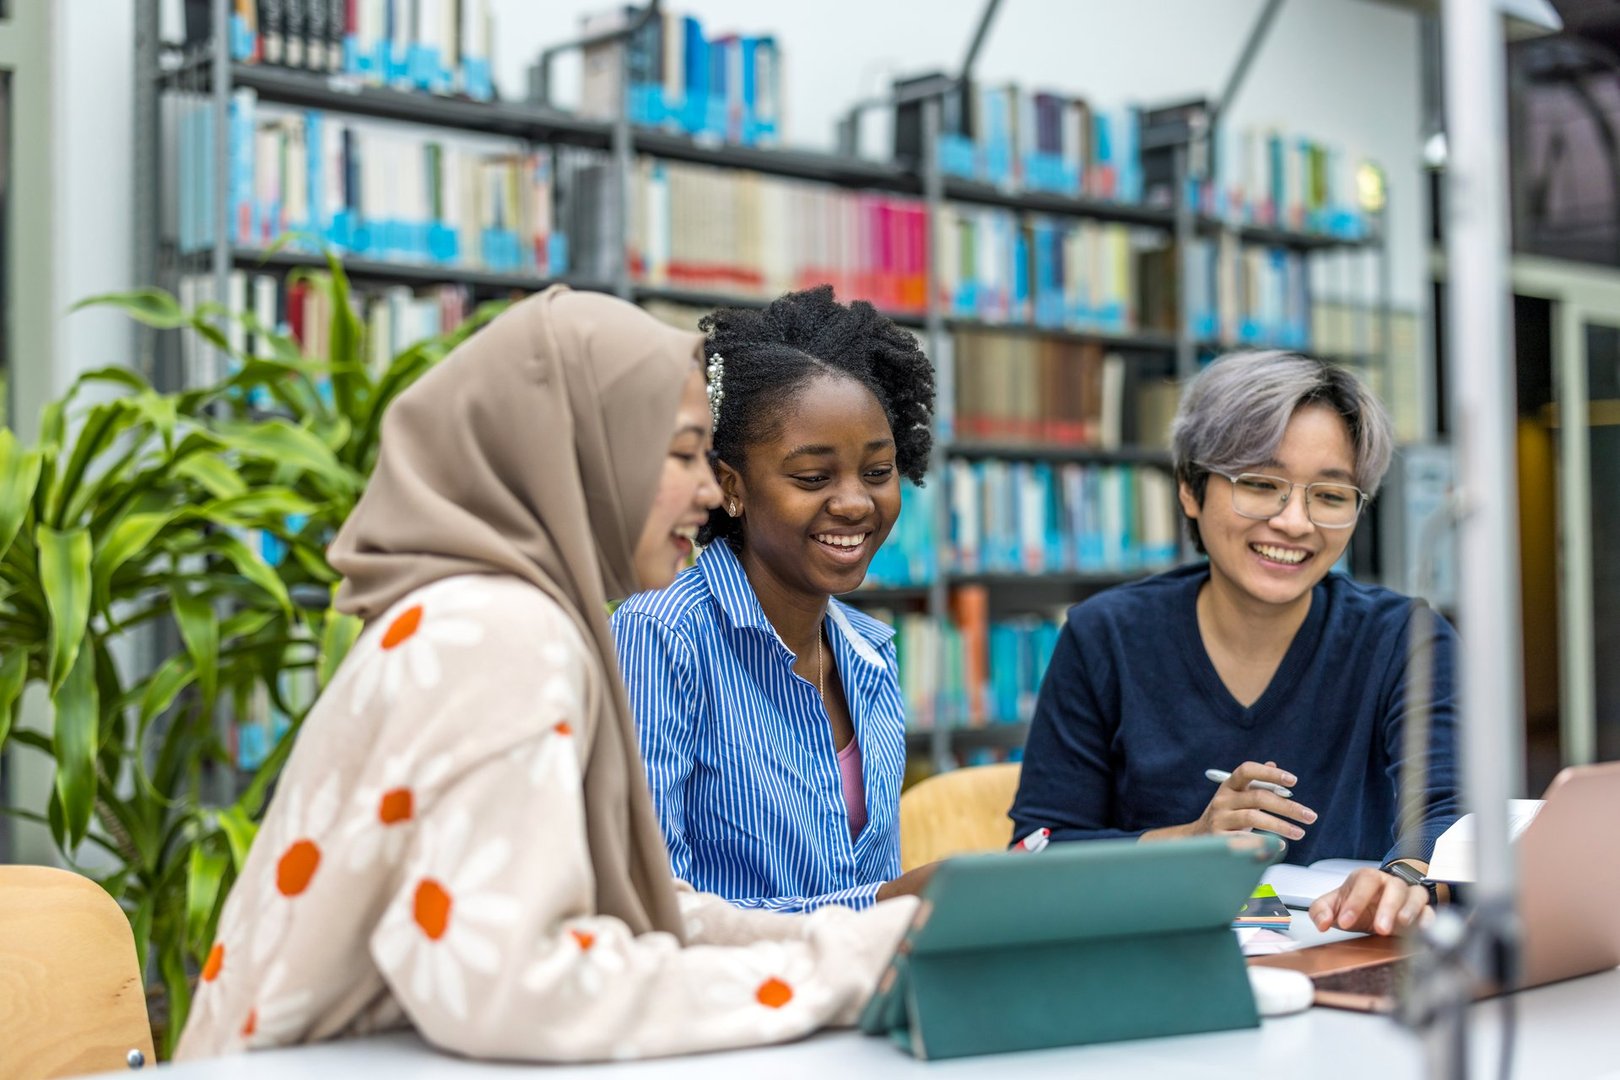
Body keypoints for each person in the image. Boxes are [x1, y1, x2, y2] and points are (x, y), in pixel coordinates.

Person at [175, 287, 917, 1063]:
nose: (708, 491)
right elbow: (518, 989)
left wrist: (856, 939)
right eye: (678, 452)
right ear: (575, 452)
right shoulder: (501, 633)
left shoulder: (494, 615)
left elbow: (628, 917)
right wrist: (839, 966)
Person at [1008, 350, 1460, 938]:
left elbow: (1453, 815)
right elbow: (1037, 847)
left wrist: (1404, 877)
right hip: (1157, 959)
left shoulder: (1404, 638)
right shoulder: (1106, 635)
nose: (1295, 522)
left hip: (1339, 953)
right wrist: (1191, 841)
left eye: (1329, 495)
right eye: (1261, 484)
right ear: (1191, 491)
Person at [612, 285, 937, 912]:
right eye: (812, 478)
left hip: (853, 1001)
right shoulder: (660, 638)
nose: (854, 503)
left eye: (877, 471)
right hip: (726, 1003)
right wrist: (883, 904)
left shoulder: (870, 653)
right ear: (731, 486)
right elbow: (650, 907)